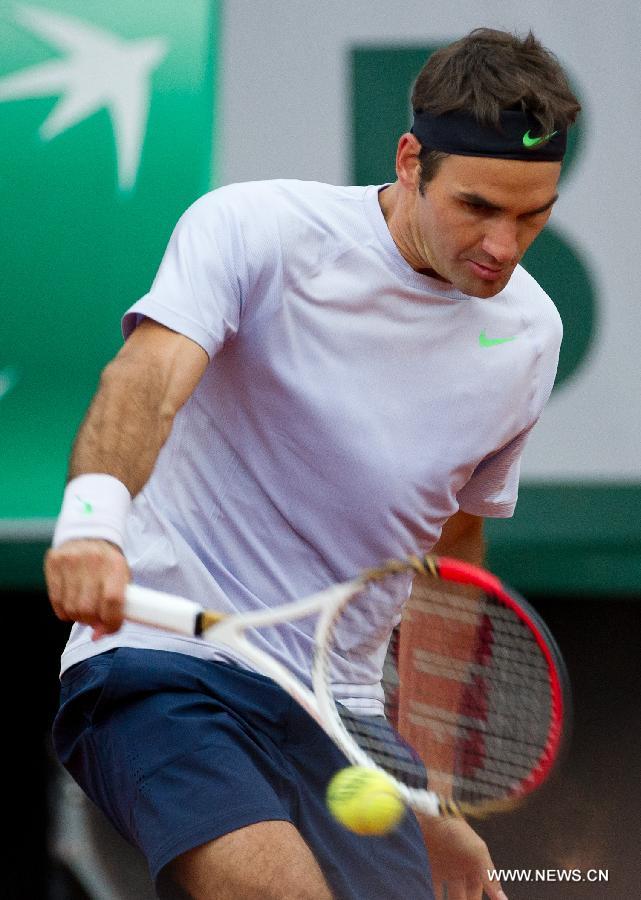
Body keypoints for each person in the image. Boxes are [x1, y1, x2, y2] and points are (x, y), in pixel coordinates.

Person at [46, 27, 580, 900]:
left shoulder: (529, 334)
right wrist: (94, 524)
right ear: (411, 161)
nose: (503, 244)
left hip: (347, 719)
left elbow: (447, 561)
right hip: (165, 658)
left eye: (532, 214)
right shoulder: (257, 229)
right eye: (477, 207)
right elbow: (146, 379)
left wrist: (434, 804)